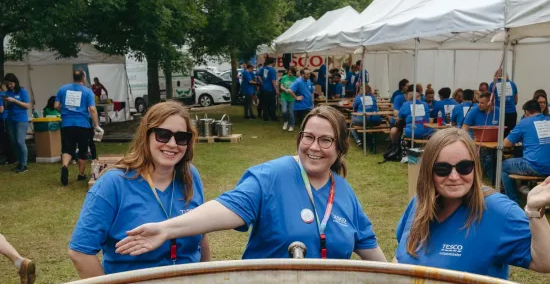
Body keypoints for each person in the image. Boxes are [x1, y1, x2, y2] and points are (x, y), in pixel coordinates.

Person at [115, 106, 387, 262]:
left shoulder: (344, 194)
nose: (314, 147)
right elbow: (225, 209)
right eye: (308, 137)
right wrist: (166, 229)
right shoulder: (272, 176)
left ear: (340, 147)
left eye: (325, 140)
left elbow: (371, 252)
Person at [395, 129, 550, 279]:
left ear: (475, 167)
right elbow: (400, 256)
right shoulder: (419, 203)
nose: (454, 177)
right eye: (442, 169)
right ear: (428, 171)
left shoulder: (496, 209)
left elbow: (548, 263)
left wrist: (534, 211)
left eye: (464, 167)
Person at [68, 101, 209, 278]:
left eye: (181, 137)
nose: (173, 144)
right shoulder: (113, 184)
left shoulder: (190, 176)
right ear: (146, 136)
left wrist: (205, 279)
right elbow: (80, 252)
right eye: (163, 135)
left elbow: (202, 236)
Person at [502, 100, 550, 203]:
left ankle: (512, 200)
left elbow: (506, 144)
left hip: (536, 166)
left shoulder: (524, 122)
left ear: (526, 112)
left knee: (503, 166)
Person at [55, 70, 101, 185]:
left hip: (67, 124)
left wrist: (64, 112)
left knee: (67, 148)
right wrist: (96, 125)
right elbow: (92, 109)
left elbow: (56, 105)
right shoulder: (88, 92)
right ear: (84, 78)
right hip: (83, 125)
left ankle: (65, 167)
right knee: (83, 150)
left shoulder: (63, 89)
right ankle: (80, 174)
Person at [462, 92, 501, 181]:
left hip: (493, 142)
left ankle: (494, 177)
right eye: (479, 102)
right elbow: (464, 129)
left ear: (490, 103)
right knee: (488, 158)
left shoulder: (498, 112)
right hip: (476, 142)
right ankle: (492, 178)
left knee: (497, 157)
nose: (479, 105)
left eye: (482, 103)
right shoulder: (474, 111)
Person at [3, 73, 31, 173]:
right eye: (7, 84)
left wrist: (14, 100)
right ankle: (19, 162)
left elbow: (27, 105)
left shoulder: (23, 91)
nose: (10, 86)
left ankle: (24, 164)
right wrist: (5, 102)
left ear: (15, 82)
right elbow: (6, 107)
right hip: (10, 119)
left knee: (20, 141)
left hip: (21, 120)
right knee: (14, 142)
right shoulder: (7, 93)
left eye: (11, 83)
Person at [0, 82, 15, 165]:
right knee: (9, 138)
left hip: (3, 119)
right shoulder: (7, 94)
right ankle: (12, 157)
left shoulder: (0, 95)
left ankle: (10, 158)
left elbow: (1, 109)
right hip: (9, 118)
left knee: (5, 139)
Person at [279, 66, 298, 131]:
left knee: (290, 112)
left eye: (291, 73)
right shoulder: (284, 77)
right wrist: (285, 89)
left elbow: (296, 88)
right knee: (284, 111)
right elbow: (281, 86)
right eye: (289, 72)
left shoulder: (295, 79)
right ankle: (285, 121)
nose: (290, 74)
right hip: (284, 96)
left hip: (291, 97)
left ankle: (291, 125)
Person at [260, 58, 279, 122]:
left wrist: (263, 83)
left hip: (264, 88)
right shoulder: (272, 70)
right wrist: (276, 89)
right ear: (273, 62)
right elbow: (273, 81)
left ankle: (265, 117)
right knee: (272, 104)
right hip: (271, 89)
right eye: (275, 62)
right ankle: (273, 117)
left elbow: (262, 77)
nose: (275, 63)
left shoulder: (264, 68)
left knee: (265, 104)